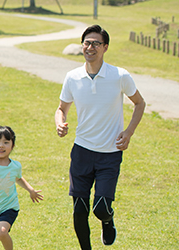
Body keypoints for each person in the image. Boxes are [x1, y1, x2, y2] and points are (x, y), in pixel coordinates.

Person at [55, 24, 146, 250]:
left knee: (102, 207)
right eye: (87, 42)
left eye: (96, 43)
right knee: (79, 210)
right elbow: (61, 108)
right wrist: (60, 122)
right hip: (82, 151)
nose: (90, 47)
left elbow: (139, 103)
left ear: (105, 47)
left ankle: (107, 220)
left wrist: (129, 132)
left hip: (110, 153)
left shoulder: (119, 76)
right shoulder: (72, 77)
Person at [0, 126, 44, 250]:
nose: (1, 146)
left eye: (6, 142)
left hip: (9, 207)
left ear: (12, 146)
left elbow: (18, 178)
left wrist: (31, 190)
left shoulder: (15, 166)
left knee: (2, 232)